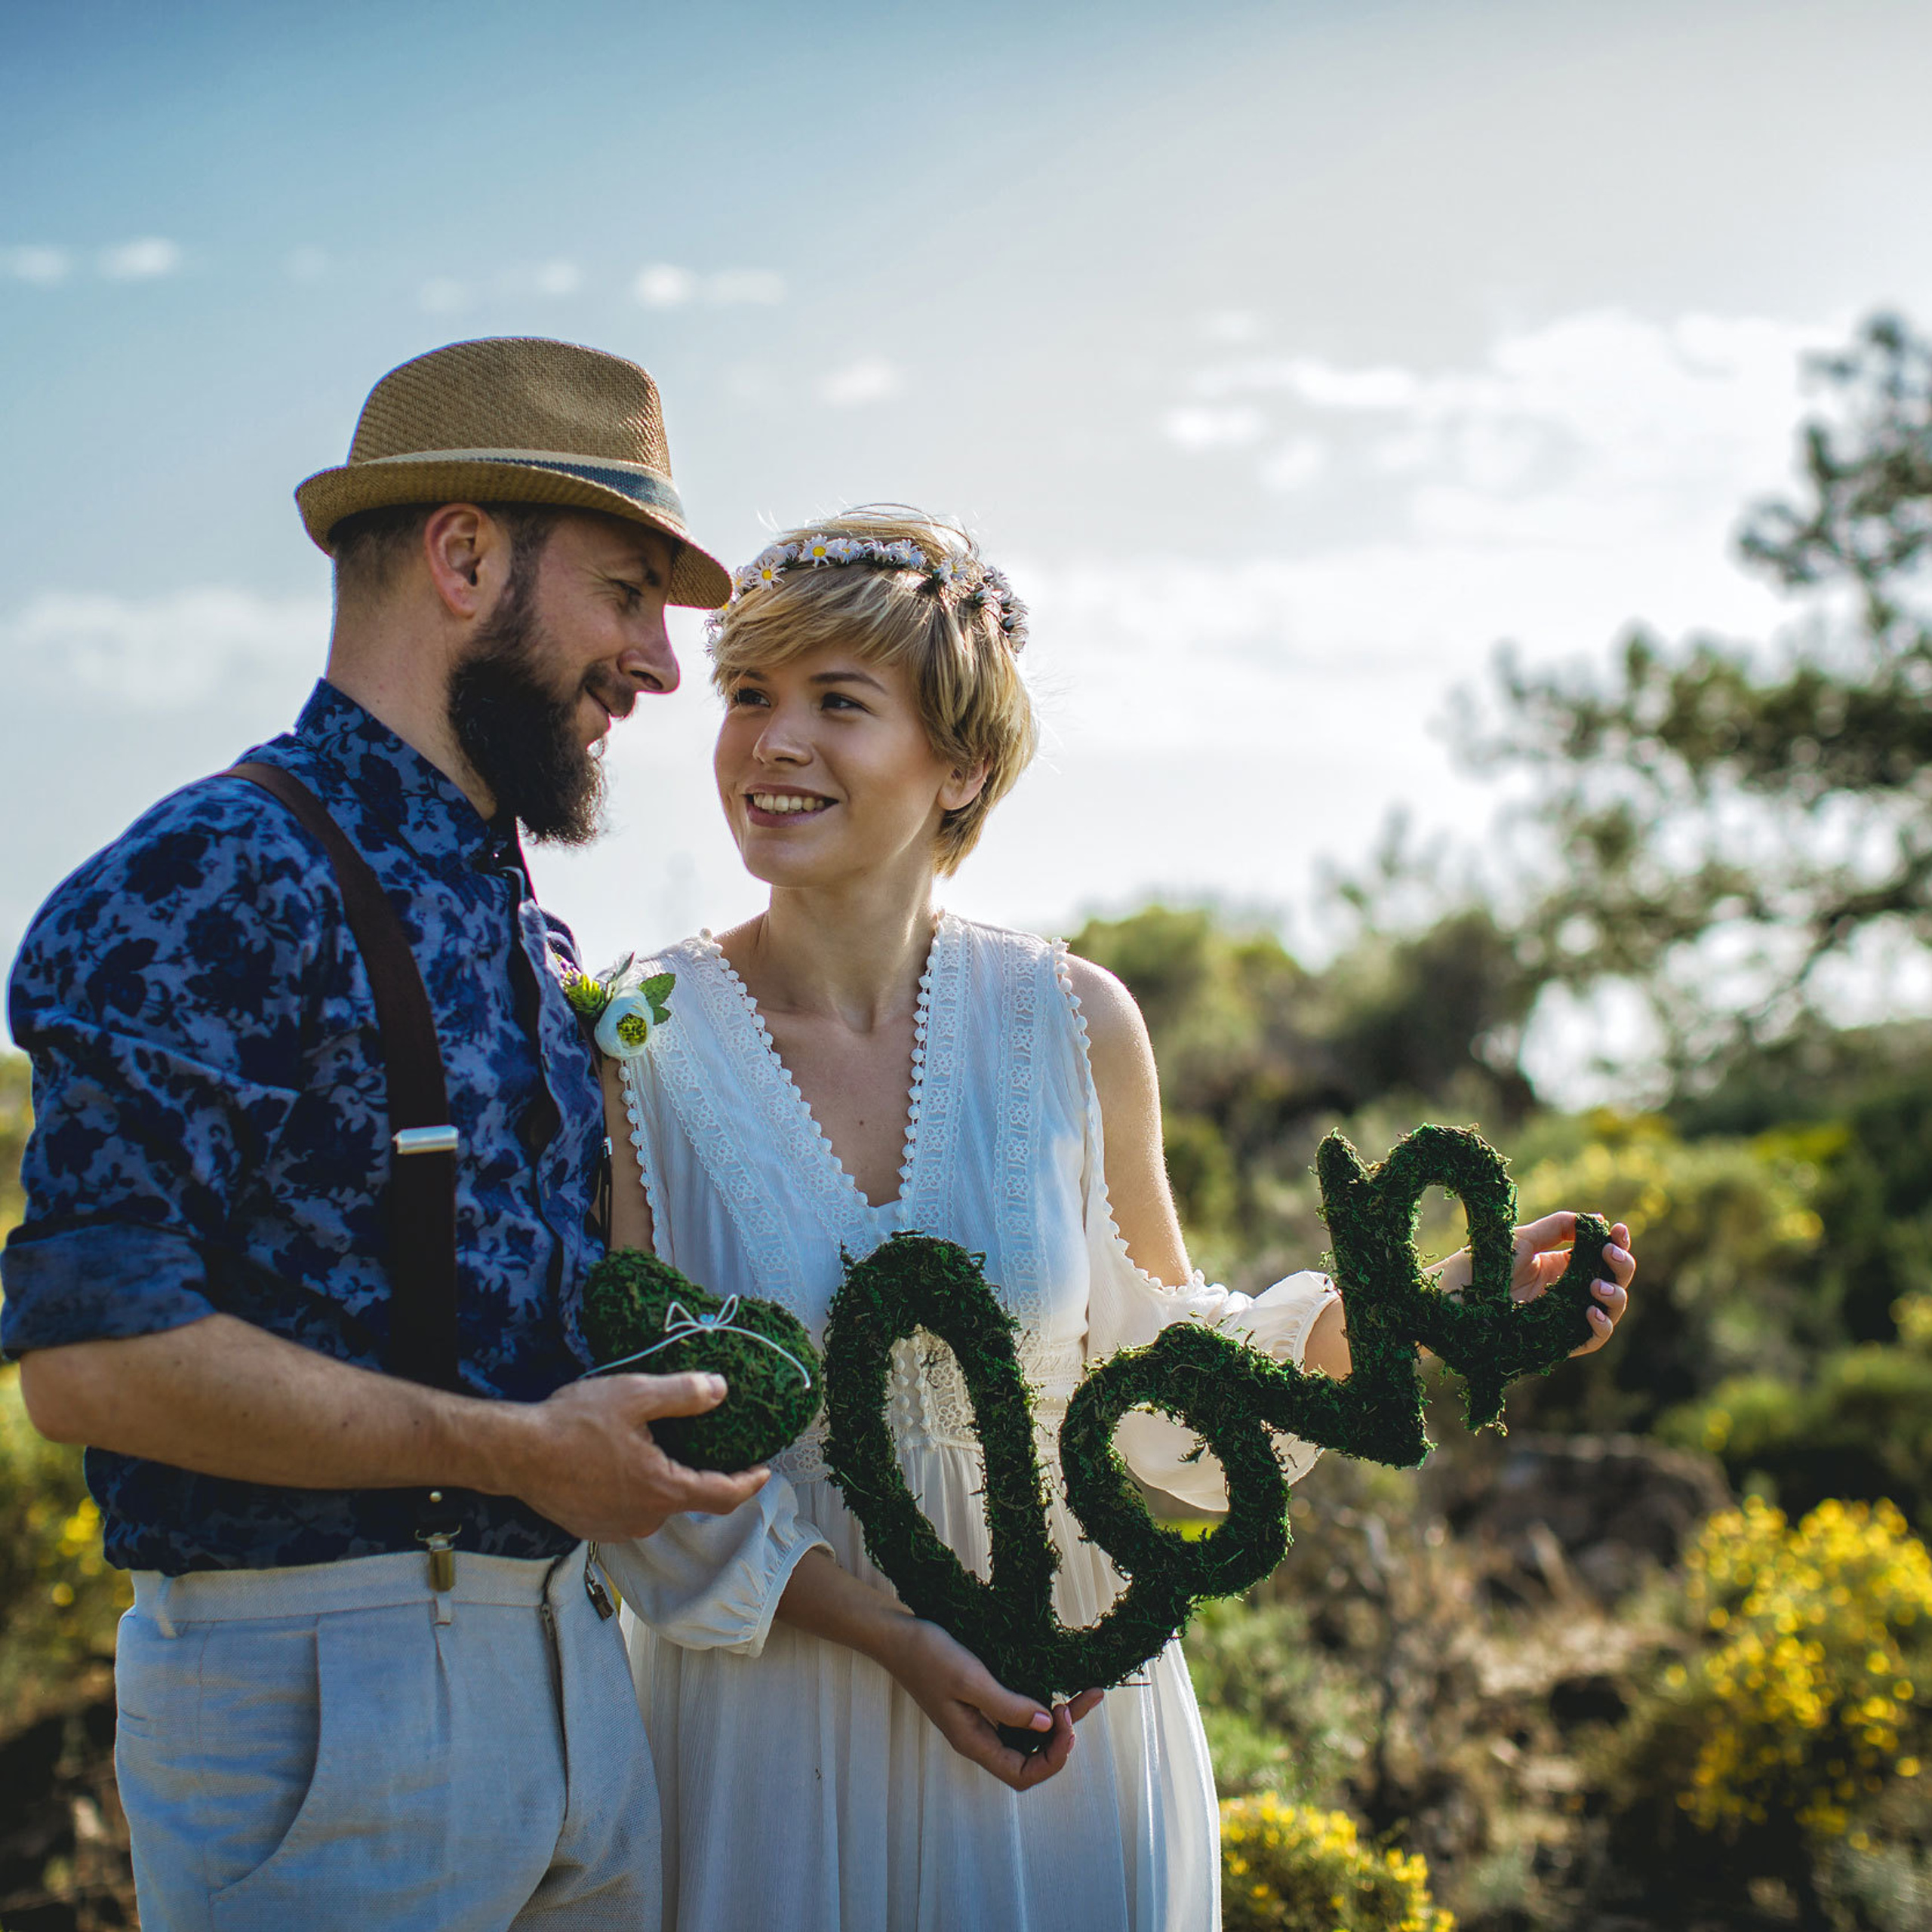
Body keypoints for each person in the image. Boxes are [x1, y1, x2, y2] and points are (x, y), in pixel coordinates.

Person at [593, 508, 1638, 1931]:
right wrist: (900, 1641)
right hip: (774, 1730)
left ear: (962, 763)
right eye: (749, 697)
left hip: (1065, 1709)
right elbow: (634, 1442)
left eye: (838, 703)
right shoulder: (637, 1040)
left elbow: (1166, 1372)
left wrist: (1415, 1302)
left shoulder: (1070, 1022)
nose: (770, 743)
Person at [2, 337, 771, 1931]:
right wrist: (515, 1453)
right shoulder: (212, 873)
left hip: (570, 1677)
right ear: (466, 552)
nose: (659, 663)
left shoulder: (525, 924)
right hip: (322, 1686)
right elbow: (94, 1359)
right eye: (627, 591)